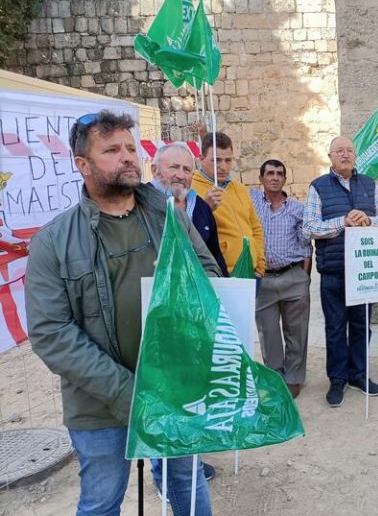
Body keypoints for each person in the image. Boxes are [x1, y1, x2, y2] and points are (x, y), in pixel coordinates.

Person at [25, 110, 222, 516]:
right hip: (99, 407)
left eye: (131, 147)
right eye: (112, 149)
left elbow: (208, 275)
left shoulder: (169, 216)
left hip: (172, 392)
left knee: (186, 483)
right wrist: (126, 392)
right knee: (101, 501)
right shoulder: (53, 241)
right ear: (82, 165)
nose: (128, 156)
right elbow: (50, 333)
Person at [303, 136, 378, 408]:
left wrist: (368, 220)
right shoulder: (318, 186)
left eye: (350, 150)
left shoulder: (369, 184)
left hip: (364, 271)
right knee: (334, 327)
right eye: (339, 151)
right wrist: (343, 222)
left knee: (361, 325)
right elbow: (309, 227)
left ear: (356, 156)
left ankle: (359, 374)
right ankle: (337, 379)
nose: (345, 155)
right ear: (330, 156)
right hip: (333, 271)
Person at [250, 159, 312, 399]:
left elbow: (306, 243)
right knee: (268, 333)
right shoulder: (251, 202)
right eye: (270, 173)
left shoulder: (298, 208)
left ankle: (294, 377)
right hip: (263, 279)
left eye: (279, 174)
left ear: (285, 179)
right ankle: (275, 376)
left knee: (296, 332)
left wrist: (303, 277)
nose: (275, 177)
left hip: (293, 276)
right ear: (261, 178)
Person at [190, 131, 266, 281]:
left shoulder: (240, 188)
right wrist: (205, 208)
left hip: (251, 273)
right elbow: (188, 232)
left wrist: (260, 266)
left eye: (228, 160)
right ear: (201, 159)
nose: (223, 167)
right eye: (216, 160)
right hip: (218, 276)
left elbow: (255, 228)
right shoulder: (191, 189)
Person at [151, 141, 229, 276]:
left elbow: (214, 256)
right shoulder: (141, 201)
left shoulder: (202, 207)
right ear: (154, 170)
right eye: (174, 167)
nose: (180, 175)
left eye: (186, 169)